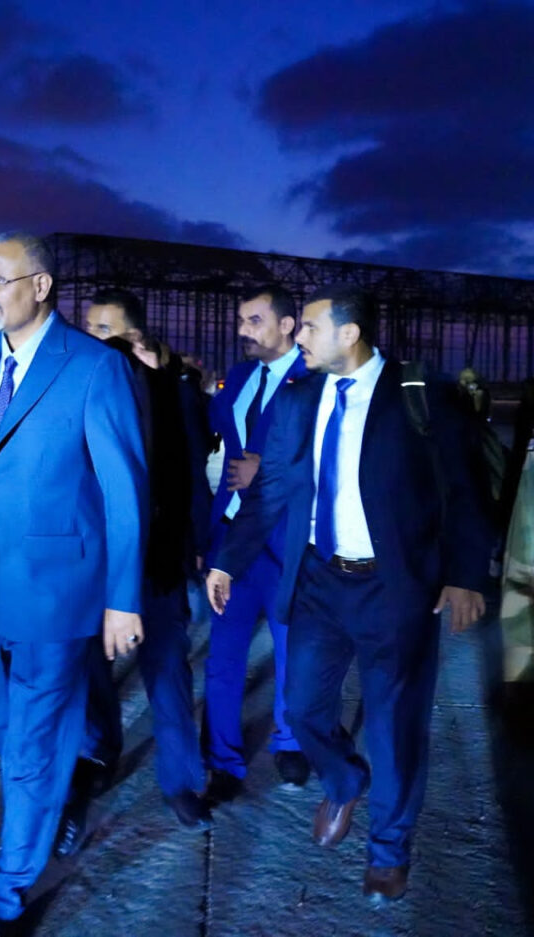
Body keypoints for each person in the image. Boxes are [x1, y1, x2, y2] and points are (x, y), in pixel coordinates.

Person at [205, 284, 488, 903]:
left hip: (394, 586)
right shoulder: (299, 398)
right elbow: (271, 491)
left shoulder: (420, 395)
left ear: (349, 333)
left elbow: (466, 488)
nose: (299, 337)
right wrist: (228, 560)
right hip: (318, 581)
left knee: (393, 725)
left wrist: (466, 574)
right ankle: (343, 781)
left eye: (309, 327)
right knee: (302, 708)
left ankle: (388, 850)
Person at [0, 232, 147, 935]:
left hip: (58, 586)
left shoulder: (94, 366)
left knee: (28, 746)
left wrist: (122, 598)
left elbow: (124, 492)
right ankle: (72, 758)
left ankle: (7, 889)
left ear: (41, 286)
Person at [52, 289, 209, 860]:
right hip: (92, 566)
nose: (92, 338)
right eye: (89, 328)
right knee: (88, 672)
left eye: (105, 329)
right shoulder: (76, 390)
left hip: (157, 561)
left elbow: (192, 475)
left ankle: (182, 782)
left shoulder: (173, 392)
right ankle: (95, 757)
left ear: (136, 336)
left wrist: (199, 547)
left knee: (167, 672)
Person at [202, 284, 311, 800]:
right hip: (231, 535)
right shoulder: (241, 376)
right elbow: (211, 433)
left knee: (291, 648)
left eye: (255, 320)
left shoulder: (313, 379)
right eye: (241, 320)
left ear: (287, 325)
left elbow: (327, 456)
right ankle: (223, 761)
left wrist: (265, 469)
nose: (243, 330)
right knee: (223, 656)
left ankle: (290, 742)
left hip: (283, 536)